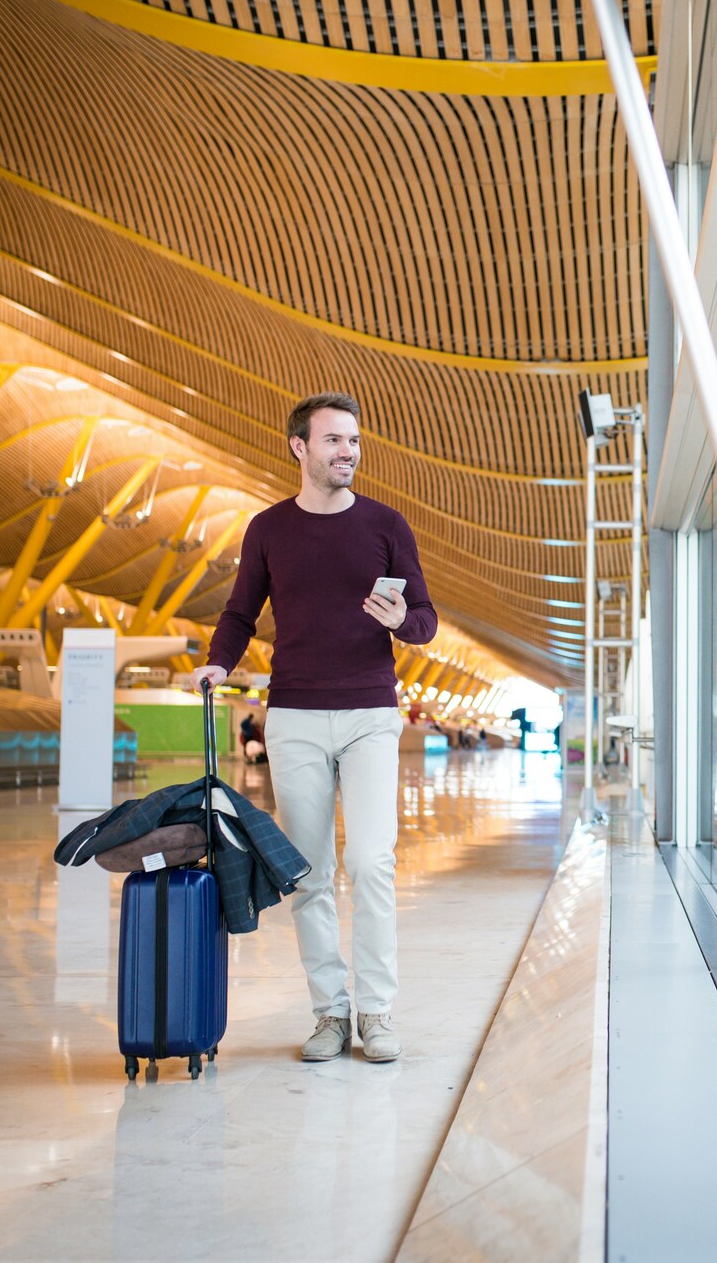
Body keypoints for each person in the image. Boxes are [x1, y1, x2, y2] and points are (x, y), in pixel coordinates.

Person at [190, 392, 438, 1065]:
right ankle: (330, 1012)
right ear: (299, 447)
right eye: (333, 440)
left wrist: (400, 622)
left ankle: (376, 1011)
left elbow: (425, 619)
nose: (347, 452)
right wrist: (218, 663)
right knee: (308, 873)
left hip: (369, 713)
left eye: (353, 441)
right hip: (294, 714)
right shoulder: (268, 530)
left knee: (371, 861)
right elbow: (241, 612)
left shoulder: (386, 524)